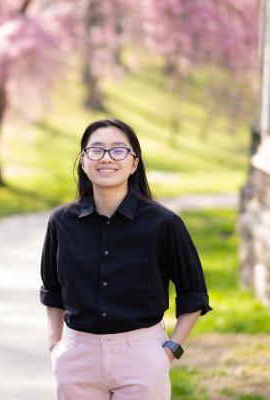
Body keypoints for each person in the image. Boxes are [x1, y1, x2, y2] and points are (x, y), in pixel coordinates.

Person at [40, 118, 212, 400]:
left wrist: (170, 352)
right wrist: (56, 346)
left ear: (134, 164)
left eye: (119, 150)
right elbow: (52, 291)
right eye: (96, 150)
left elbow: (193, 295)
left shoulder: (164, 224)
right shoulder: (62, 222)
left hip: (142, 357)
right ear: (83, 161)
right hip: (77, 357)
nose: (106, 158)